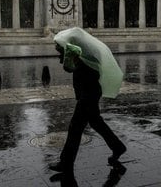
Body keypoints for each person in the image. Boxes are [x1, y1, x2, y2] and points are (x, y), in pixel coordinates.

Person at [49, 27, 126, 175]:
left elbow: (68, 67)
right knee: (96, 123)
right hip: (90, 93)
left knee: (75, 128)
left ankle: (65, 163)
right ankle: (117, 147)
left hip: (88, 95)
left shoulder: (82, 56)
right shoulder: (88, 55)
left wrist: (66, 54)